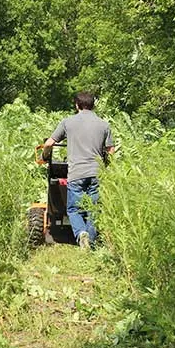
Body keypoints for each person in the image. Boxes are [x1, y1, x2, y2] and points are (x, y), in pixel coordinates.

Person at [44, 91, 114, 250]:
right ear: (93, 105)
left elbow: (49, 144)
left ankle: (81, 233)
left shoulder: (68, 122)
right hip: (96, 173)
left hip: (76, 173)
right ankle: (90, 241)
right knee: (93, 209)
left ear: (77, 105)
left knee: (73, 209)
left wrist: (44, 155)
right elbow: (110, 150)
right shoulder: (104, 124)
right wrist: (105, 165)